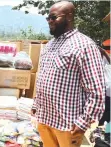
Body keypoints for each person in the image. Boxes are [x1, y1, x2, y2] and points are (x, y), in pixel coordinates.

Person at [35, 1, 105, 147]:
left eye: (53, 17)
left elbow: (96, 90)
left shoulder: (84, 46)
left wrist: (84, 121)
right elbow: (42, 78)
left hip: (67, 125)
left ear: (69, 17)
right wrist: (36, 104)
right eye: (48, 18)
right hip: (45, 119)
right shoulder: (49, 46)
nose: (49, 21)